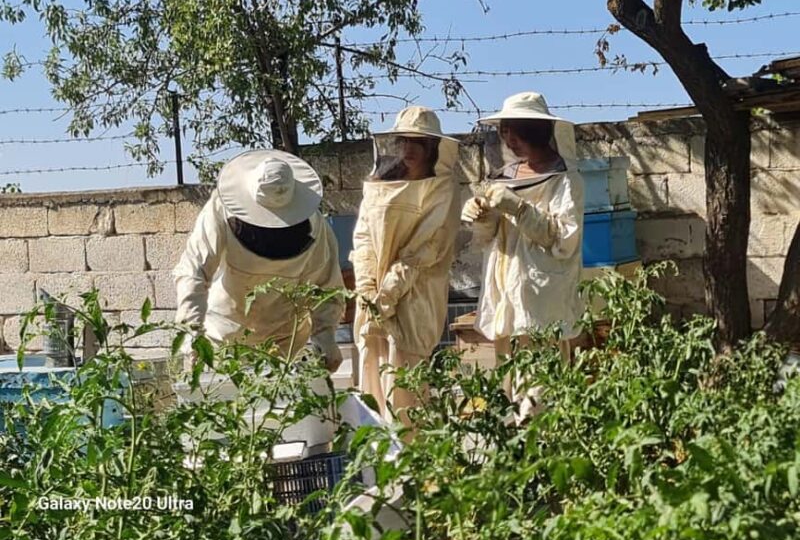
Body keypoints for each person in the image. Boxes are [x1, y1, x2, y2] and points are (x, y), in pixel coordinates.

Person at [461, 92, 584, 411]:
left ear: (532, 129)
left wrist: (518, 209)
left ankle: (546, 455)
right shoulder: (505, 177)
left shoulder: (565, 181)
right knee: (508, 388)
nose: (507, 139)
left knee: (539, 394)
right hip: (505, 294)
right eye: (503, 131)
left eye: (513, 130)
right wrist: (480, 215)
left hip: (540, 301)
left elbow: (562, 239)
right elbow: (489, 239)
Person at [173, 149, 344, 371]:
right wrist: (191, 330)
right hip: (225, 337)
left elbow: (327, 286)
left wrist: (326, 336)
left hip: (287, 341)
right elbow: (194, 270)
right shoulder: (219, 210)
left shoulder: (315, 225)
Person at [351, 106, 460, 421]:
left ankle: (412, 468)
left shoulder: (442, 188)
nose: (409, 149)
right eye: (404, 141)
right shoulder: (378, 184)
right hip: (372, 303)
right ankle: (377, 469)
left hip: (414, 301)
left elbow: (426, 248)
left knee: (406, 397)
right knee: (371, 396)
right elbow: (363, 238)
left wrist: (386, 296)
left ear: (432, 147)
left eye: (418, 142)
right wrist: (367, 286)